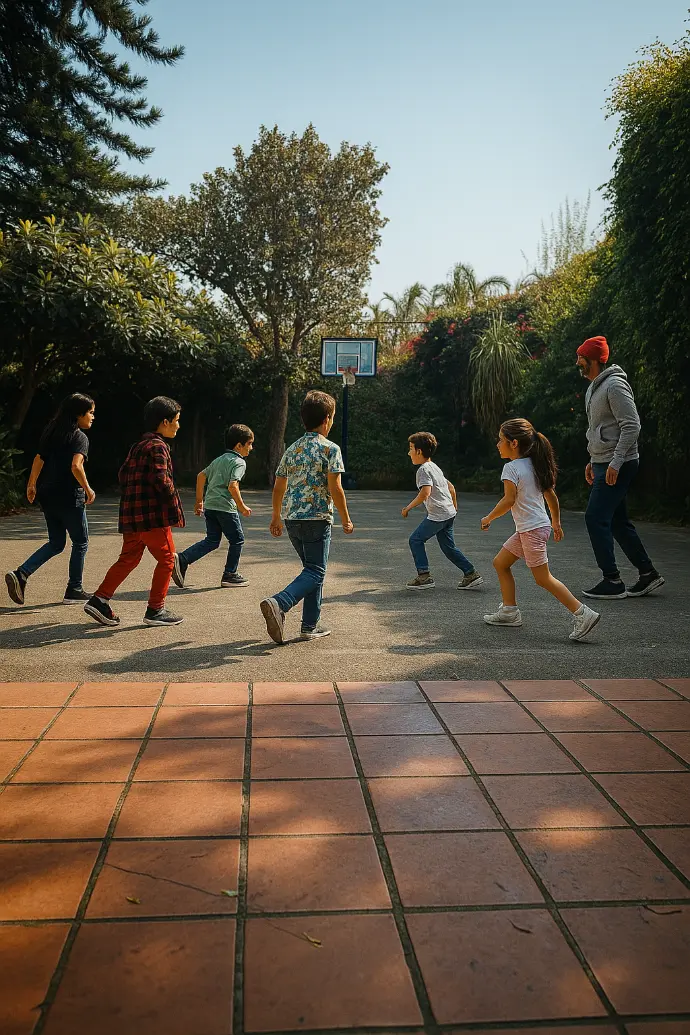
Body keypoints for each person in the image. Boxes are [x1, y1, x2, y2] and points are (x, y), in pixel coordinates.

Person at [480, 417, 600, 641]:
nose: (497, 444)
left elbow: (509, 500)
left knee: (543, 578)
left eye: (501, 440)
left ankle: (583, 613)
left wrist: (489, 518)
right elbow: (551, 496)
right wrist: (555, 522)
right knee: (500, 563)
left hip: (531, 530)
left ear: (514, 443)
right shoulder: (535, 465)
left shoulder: (511, 468)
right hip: (535, 527)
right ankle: (509, 611)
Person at [260, 390, 353, 643]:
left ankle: (310, 625)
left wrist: (276, 516)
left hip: (292, 519)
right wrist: (345, 517)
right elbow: (336, 487)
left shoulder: (292, 449)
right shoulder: (330, 449)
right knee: (315, 571)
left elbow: (279, 486)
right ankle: (280, 603)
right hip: (317, 519)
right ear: (327, 419)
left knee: (311, 570)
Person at [84, 396, 185, 628]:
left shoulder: (137, 446)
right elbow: (161, 479)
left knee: (128, 558)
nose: (178, 426)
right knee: (168, 559)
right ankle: (156, 609)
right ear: (165, 422)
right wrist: (173, 504)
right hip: (152, 517)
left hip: (132, 516)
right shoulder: (159, 446)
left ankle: (100, 600)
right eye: (177, 420)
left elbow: (122, 475)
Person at [577, 335, 664, 599]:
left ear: (593, 359)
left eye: (581, 358)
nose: (577, 362)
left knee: (595, 517)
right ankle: (648, 574)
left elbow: (632, 425)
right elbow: (599, 429)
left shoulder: (614, 385)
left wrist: (614, 462)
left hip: (620, 463)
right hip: (603, 462)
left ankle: (612, 580)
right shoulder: (594, 387)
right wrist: (593, 460)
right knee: (617, 521)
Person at [5, 393, 96, 605]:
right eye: (90, 412)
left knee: (56, 543)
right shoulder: (80, 437)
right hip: (69, 497)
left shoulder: (52, 432)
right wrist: (88, 489)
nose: (93, 417)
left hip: (48, 495)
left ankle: (21, 573)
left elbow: (39, 458)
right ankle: (74, 589)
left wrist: (31, 484)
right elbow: (76, 466)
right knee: (80, 542)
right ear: (78, 414)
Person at [172, 424, 254, 590]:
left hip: (211, 506)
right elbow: (233, 486)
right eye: (249, 444)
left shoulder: (219, 460)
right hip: (225, 508)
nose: (251, 448)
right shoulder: (239, 462)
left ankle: (182, 559)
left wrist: (199, 501)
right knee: (237, 540)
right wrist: (242, 506)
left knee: (212, 541)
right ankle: (230, 574)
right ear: (239, 445)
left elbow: (201, 476)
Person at [403, 431, 482, 591]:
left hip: (438, 516)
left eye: (411, 448)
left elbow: (425, 493)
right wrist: (454, 506)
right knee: (448, 547)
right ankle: (471, 573)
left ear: (419, 451)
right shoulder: (434, 467)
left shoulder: (423, 470)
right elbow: (451, 487)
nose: (409, 452)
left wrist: (408, 508)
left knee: (415, 540)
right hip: (448, 514)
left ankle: (424, 577)